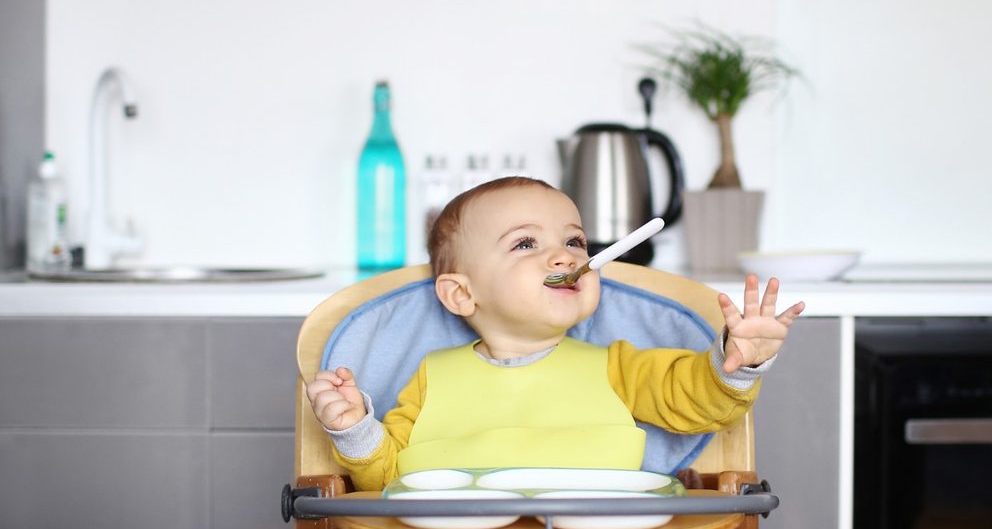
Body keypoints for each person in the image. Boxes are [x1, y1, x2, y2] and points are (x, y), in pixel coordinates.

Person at [307, 176, 805, 492]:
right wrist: (354, 429)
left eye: (574, 240)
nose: (565, 256)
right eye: (526, 243)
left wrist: (737, 360)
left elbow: (696, 401)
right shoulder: (431, 379)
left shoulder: (617, 368)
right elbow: (388, 477)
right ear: (460, 295)